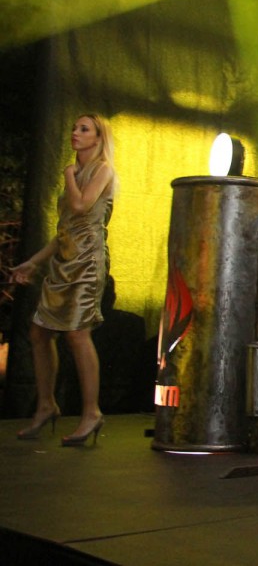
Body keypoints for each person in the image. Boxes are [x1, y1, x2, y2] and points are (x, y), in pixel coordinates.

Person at [10, 113, 118, 446]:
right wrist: (34, 262)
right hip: (63, 261)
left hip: (87, 262)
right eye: (73, 128)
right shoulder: (77, 173)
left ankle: (91, 412)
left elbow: (81, 206)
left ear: (98, 138)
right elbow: (65, 230)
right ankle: (46, 404)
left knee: (77, 333)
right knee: (39, 331)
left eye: (84, 129)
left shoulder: (102, 170)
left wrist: (69, 175)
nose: (75, 133)